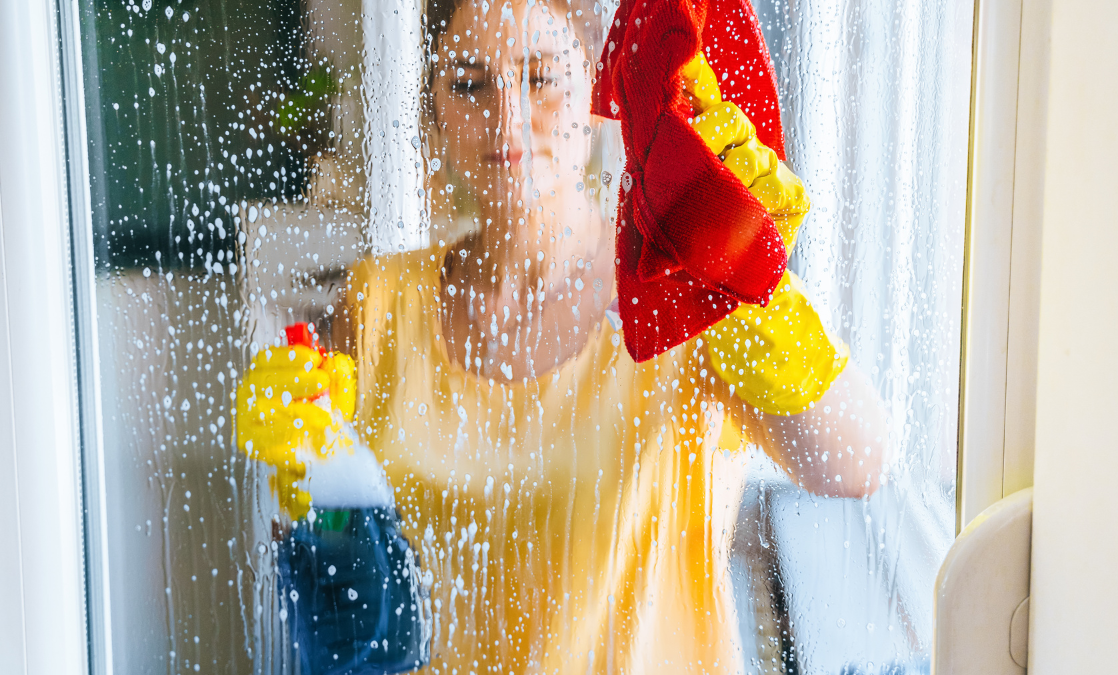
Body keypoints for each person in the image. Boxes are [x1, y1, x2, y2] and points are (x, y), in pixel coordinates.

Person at [236, 0, 889, 672]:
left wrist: (741, 268)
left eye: (541, 77)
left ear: (595, 93)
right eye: (468, 83)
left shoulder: (676, 290)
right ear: (433, 109)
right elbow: (341, 595)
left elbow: (855, 462)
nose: (507, 117)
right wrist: (305, 478)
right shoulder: (376, 301)